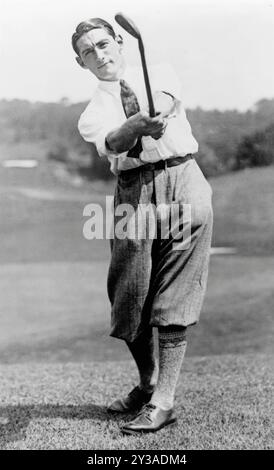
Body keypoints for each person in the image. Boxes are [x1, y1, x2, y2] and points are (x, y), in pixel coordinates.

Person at [72, 17, 213, 435]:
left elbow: (164, 105)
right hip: (133, 191)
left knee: (175, 292)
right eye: (88, 52)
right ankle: (147, 383)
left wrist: (150, 118)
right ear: (81, 64)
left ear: (119, 41)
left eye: (103, 43)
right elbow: (114, 142)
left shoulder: (161, 71)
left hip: (184, 179)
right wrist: (133, 128)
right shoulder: (92, 113)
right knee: (130, 297)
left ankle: (164, 402)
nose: (100, 54)